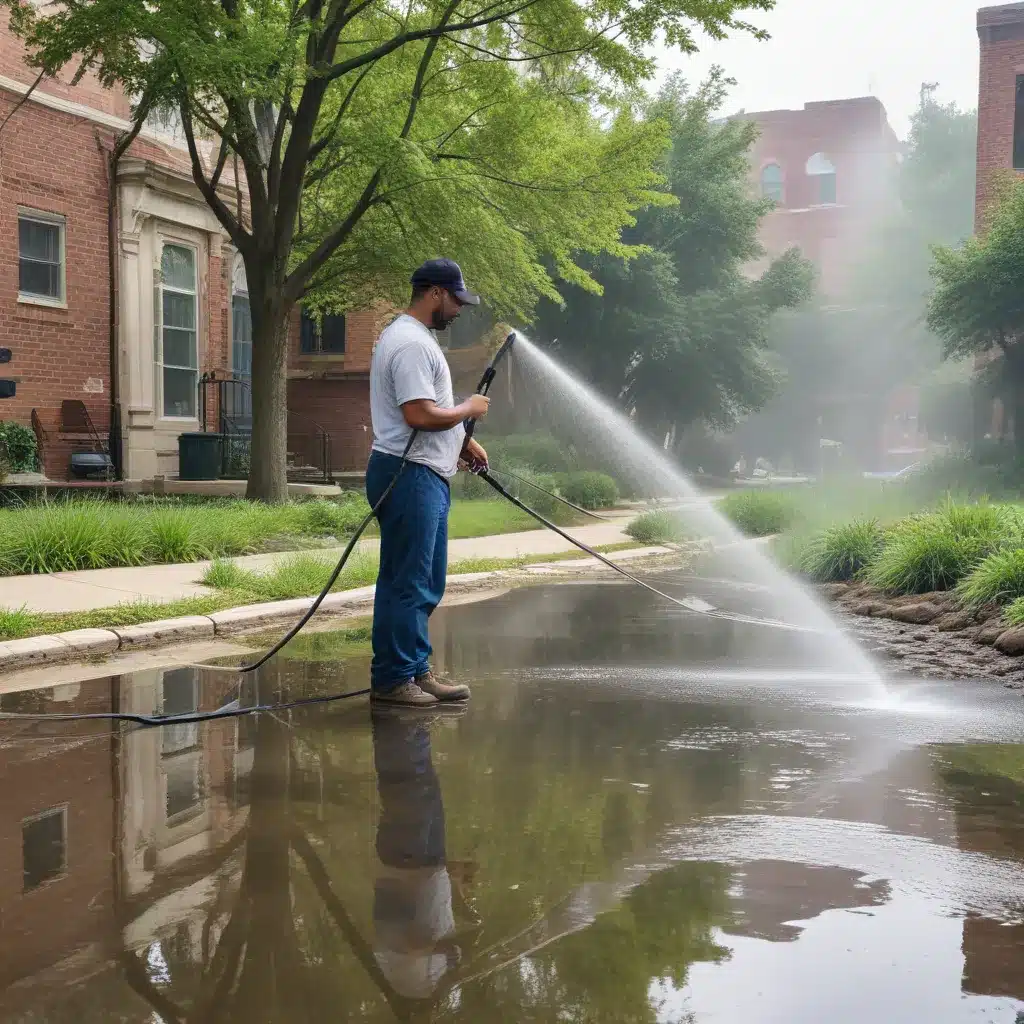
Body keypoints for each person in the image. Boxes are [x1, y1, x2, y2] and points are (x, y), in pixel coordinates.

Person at [367, 258, 490, 708]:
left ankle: (415, 671)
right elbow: (417, 414)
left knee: (422, 579)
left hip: (422, 472)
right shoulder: (411, 344)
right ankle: (395, 680)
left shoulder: (414, 340)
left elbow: (426, 414)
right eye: (456, 300)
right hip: (409, 475)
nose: (458, 310)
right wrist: (468, 410)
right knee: (408, 582)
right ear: (435, 293)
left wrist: (460, 442)